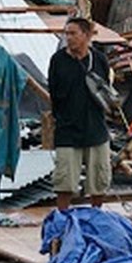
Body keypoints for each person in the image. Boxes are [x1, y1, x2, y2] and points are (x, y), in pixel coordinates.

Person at [48, 17, 112, 211]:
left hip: (96, 128)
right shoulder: (58, 60)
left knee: (99, 179)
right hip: (68, 129)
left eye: (73, 33)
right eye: (66, 34)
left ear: (86, 35)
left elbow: (106, 91)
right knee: (64, 180)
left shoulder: (99, 59)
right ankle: (62, 217)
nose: (69, 38)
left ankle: (96, 215)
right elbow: (54, 93)